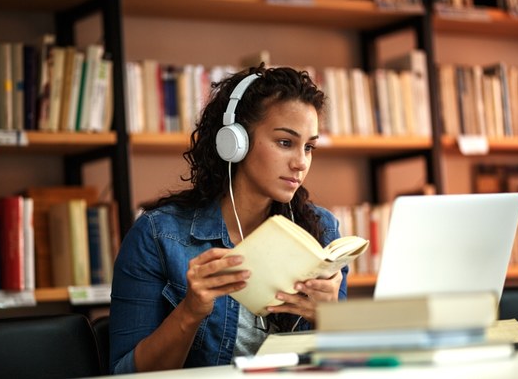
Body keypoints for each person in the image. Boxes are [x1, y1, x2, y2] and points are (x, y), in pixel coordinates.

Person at [109, 64, 349, 374]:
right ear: (235, 142)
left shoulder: (322, 230)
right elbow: (125, 373)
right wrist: (191, 311)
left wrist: (330, 319)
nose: (301, 162)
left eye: (309, 147)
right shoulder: (157, 235)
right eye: (285, 143)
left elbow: (341, 367)